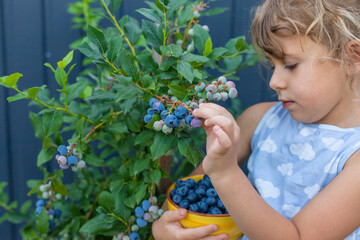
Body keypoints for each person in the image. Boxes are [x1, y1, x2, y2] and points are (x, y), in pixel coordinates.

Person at [152, 0, 360, 239]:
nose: (274, 82)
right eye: (273, 66)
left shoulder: (355, 157)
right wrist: (164, 230)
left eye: (290, 65)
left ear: (352, 57)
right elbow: (185, 196)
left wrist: (226, 173)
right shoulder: (259, 120)